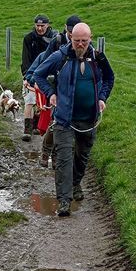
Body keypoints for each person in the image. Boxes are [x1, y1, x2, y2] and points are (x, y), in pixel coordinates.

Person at [33, 22, 114, 216]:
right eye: (76, 40)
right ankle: (64, 201)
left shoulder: (98, 58)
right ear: (71, 38)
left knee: (82, 156)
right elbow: (39, 74)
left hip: (89, 118)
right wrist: (51, 93)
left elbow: (110, 78)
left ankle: (76, 183)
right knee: (63, 158)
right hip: (64, 118)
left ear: (90, 39)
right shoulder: (60, 57)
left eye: (84, 41)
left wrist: (102, 98)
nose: (80, 44)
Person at [38, 15, 82, 167]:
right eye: (69, 31)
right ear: (65, 28)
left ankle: (58, 155)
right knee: (56, 122)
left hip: (77, 89)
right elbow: (44, 63)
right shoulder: (57, 42)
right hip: (59, 88)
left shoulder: (83, 43)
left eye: (74, 31)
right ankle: (46, 151)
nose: (71, 35)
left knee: (68, 124)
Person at [21, 14, 57, 141]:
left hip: (48, 75)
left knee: (45, 103)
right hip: (32, 72)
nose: (40, 28)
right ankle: (27, 129)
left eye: (42, 26)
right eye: (38, 26)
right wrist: (26, 76)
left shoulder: (54, 39)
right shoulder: (29, 39)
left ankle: (39, 125)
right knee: (30, 100)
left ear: (48, 25)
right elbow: (25, 59)